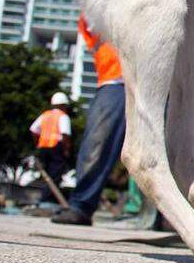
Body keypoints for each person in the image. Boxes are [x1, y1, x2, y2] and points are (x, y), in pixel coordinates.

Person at [52, 15, 127, 226]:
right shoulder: (94, 11)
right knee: (97, 144)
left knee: (168, 152)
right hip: (117, 81)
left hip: (156, 83)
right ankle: (81, 205)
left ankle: (166, 216)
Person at [29, 92, 73, 202]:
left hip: (43, 147)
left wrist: (38, 142)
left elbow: (34, 130)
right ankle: (47, 200)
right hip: (56, 147)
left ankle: (45, 198)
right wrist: (67, 149)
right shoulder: (63, 116)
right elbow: (65, 134)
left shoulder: (45, 115)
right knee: (55, 176)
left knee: (47, 175)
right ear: (63, 105)